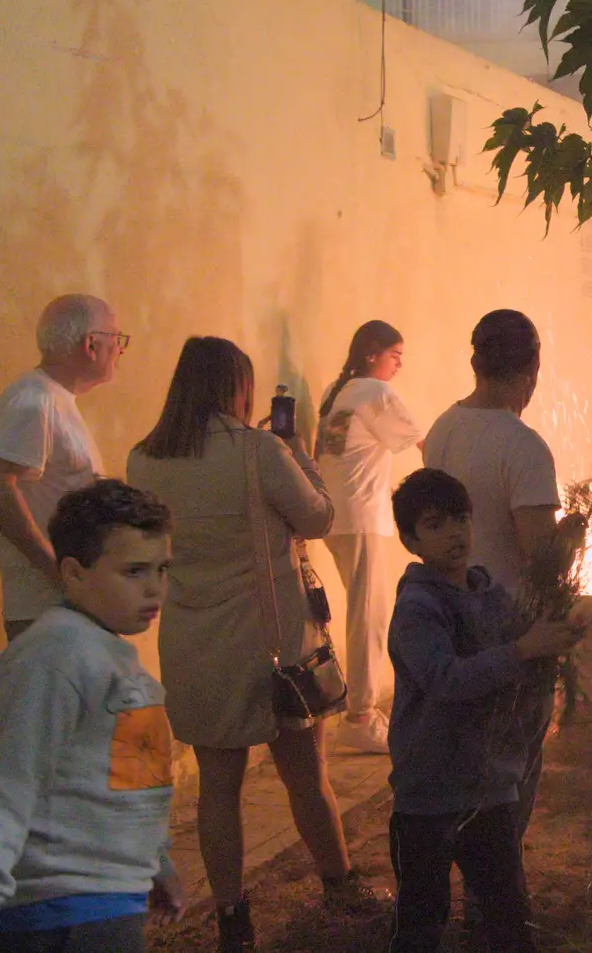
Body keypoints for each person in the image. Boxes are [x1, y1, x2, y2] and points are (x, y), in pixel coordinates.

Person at [126, 338, 378, 953]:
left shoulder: (144, 460)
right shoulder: (259, 450)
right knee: (305, 773)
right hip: (274, 645)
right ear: (236, 388)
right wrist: (294, 448)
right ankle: (339, 885)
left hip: (193, 640)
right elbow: (317, 518)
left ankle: (233, 919)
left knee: (218, 787)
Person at [384, 469, 587, 952]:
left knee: (508, 915)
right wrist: (522, 651)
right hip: (428, 795)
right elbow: (447, 680)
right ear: (411, 540)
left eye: (461, 519)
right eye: (435, 525)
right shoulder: (417, 608)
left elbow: (525, 631)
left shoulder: (489, 595)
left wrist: (561, 571)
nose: (454, 533)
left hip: (488, 788)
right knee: (421, 919)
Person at [422, 310, 586, 851]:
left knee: (463, 775)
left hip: (452, 622)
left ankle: (468, 889)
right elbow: (543, 559)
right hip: (509, 635)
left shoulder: (442, 429)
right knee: (508, 779)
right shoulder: (523, 445)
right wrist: (578, 530)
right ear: (531, 370)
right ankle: (496, 902)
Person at [0, 480, 183, 953]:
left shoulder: (114, 656)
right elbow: (10, 785)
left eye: (162, 569)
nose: (154, 587)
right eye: (134, 571)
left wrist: (154, 863)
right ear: (74, 573)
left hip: (112, 902)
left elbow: (132, 782)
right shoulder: (54, 656)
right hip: (60, 912)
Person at [316, 320, 423, 754]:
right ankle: (359, 717)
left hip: (336, 518)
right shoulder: (376, 394)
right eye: (394, 355)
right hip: (362, 518)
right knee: (370, 617)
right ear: (371, 354)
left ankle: (361, 710)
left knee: (366, 613)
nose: (399, 364)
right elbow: (421, 442)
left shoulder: (336, 394)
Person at [0, 295, 124, 641]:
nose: (120, 349)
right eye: (117, 338)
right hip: (46, 609)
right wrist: (58, 573)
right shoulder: (33, 400)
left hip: (71, 604)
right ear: (91, 344)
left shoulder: (53, 399)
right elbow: (0, 489)